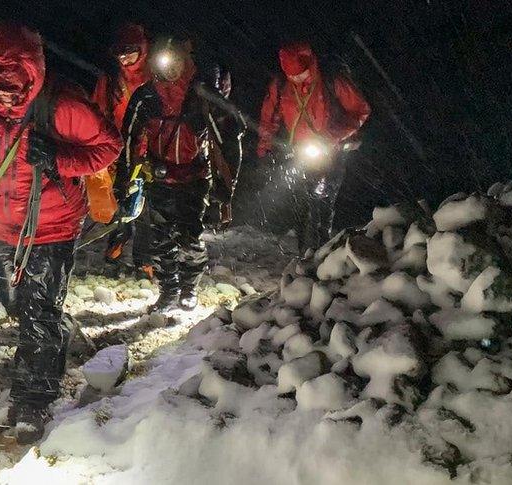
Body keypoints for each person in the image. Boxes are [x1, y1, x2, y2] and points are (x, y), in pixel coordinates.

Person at [0, 23, 121, 443]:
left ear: (31, 75)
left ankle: (33, 400)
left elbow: (109, 146)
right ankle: (55, 330)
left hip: (51, 226)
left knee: (37, 313)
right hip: (0, 224)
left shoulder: (63, 105)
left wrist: (57, 158)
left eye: (13, 91)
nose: (4, 100)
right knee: (11, 298)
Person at [120, 36, 243, 313]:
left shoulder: (201, 94)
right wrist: (124, 181)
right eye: (165, 62)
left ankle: (189, 289)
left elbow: (227, 139)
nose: (170, 68)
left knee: (189, 237)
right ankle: (168, 291)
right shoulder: (147, 96)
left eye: (175, 61)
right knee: (161, 238)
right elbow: (129, 138)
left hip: (194, 178)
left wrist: (225, 188)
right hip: (158, 178)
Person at [256, 42, 371, 250]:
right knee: (301, 206)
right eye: (292, 76)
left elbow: (360, 110)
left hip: (331, 151)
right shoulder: (281, 84)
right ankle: (305, 254)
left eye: (301, 74)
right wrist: (265, 149)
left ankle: (322, 253)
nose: (297, 79)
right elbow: (268, 118)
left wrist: (332, 136)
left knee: (322, 203)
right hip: (299, 152)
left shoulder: (331, 79)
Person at [91, 23, 154, 274]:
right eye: (119, 52)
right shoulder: (110, 80)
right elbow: (98, 111)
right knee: (121, 197)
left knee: (148, 207)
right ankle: (116, 245)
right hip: (119, 148)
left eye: (129, 51)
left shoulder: (155, 77)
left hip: (151, 150)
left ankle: (145, 260)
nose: (124, 57)